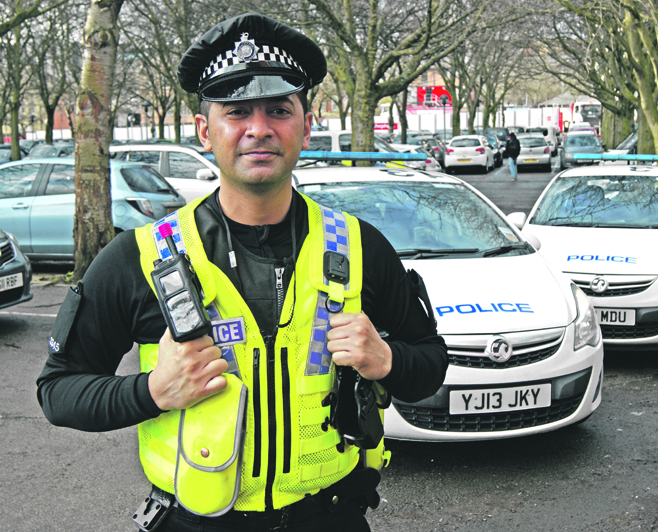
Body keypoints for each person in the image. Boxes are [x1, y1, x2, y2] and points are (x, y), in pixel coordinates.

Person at [36, 13, 447, 532]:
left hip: (332, 517)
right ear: (206, 131)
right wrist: (152, 392)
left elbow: (432, 364)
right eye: (237, 112)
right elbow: (57, 391)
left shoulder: (361, 246)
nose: (259, 128)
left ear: (306, 125)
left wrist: (386, 359)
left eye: (279, 109)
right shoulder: (140, 257)